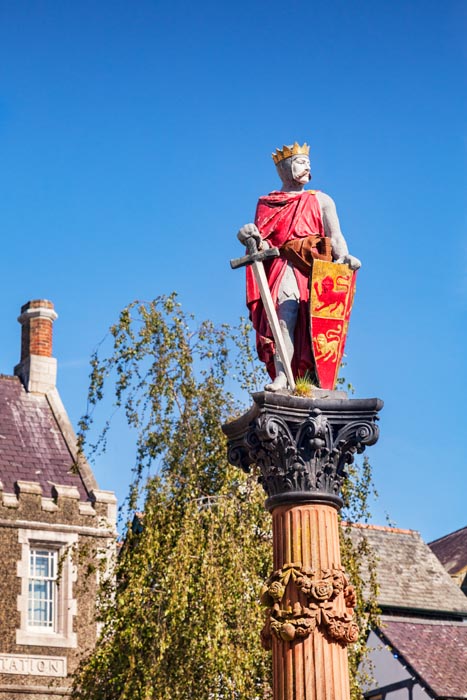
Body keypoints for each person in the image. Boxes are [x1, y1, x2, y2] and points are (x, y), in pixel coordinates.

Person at [238, 142, 361, 392]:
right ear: (286, 168)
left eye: (309, 165)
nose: (308, 169)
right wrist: (249, 236)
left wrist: (345, 257)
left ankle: (315, 380)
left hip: (317, 270)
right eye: (302, 164)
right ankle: (283, 376)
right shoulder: (267, 203)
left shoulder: (322, 200)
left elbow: (335, 236)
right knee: (286, 318)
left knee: (316, 325)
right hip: (285, 265)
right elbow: (262, 243)